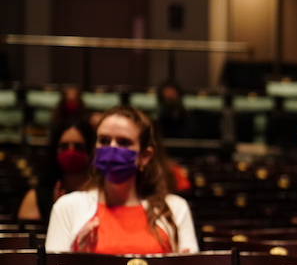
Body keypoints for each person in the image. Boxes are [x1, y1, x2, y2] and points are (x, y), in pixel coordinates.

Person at [45, 105, 199, 254]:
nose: (112, 149)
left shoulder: (174, 209)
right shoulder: (68, 208)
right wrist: (79, 257)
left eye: (123, 142)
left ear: (145, 156)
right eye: (104, 141)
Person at [18, 119, 95, 222]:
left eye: (78, 147)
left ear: (90, 151)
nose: (70, 152)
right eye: (64, 147)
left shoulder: (102, 197)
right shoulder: (35, 198)